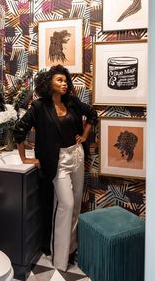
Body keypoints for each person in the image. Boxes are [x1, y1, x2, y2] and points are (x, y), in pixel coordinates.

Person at [13, 64, 97, 272]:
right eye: (59, 80)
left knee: (76, 206)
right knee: (66, 204)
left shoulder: (73, 102)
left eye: (65, 80)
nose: (64, 84)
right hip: (57, 160)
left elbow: (93, 115)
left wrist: (85, 136)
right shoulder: (39, 106)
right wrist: (24, 158)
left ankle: (69, 250)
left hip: (76, 154)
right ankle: (58, 260)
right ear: (48, 83)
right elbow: (19, 130)